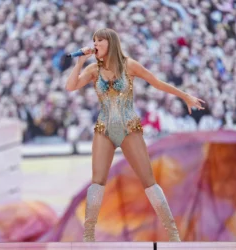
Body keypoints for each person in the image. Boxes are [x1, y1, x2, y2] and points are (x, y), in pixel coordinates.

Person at [65, 28, 205, 242]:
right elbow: (70, 86)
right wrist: (79, 62)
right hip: (104, 128)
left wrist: (184, 96)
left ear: (110, 43)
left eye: (99, 41)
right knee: (98, 181)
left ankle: (173, 233)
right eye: (93, 40)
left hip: (129, 127)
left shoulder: (129, 65)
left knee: (148, 180)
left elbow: (157, 83)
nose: (94, 44)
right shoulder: (93, 69)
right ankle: (88, 235)